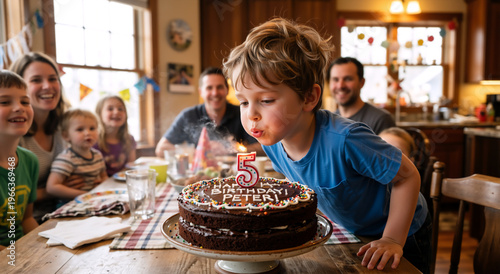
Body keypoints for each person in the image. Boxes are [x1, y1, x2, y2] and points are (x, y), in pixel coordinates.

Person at [223, 18, 431, 273]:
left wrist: (392, 239)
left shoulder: (346, 140)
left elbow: (408, 177)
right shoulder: (272, 143)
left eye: (265, 100)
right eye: (243, 102)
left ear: (309, 97)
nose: (251, 114)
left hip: (404, 231)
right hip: (355, 232)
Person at [9, 52, 82, 222]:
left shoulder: (66, 126)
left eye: (52, 78)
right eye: (36, 80)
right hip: (29, 221)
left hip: (69, 211)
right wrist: (51, 190)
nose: (47, 86)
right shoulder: (11, 133)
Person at [155, 67, 261, 157]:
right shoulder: (189, 116)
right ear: (201, 92)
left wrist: (231, 149)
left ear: (227, 90)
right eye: (209, 88)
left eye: (219, 87)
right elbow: (160, 149)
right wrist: (197, 151)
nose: (215, 93)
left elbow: (264, 148)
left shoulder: (242, 113)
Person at [0, 70, 39, 250]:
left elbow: (27, 219)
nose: (19, 107)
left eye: (25, 101)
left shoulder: (30, 161)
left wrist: (42, 250)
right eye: (4, 102)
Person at [46, 109, 107, 201]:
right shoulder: (66, 158)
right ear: (66, 136)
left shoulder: (97, 155)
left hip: (94, 200)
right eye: (80, 129)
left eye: (92, 128)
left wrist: (102, 184)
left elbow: (104, 176)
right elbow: (52, 187)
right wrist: (86, 195)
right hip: (71, 204)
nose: (88, 133)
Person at [328, 57, 395, 134]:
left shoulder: (381, 120)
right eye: (335, 79)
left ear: (362, 82)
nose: (340, 86)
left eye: (348, 79)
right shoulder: (329, 122)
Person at [94, 95, 136, 176]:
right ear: (99, 114)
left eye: (120, 109)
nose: (116, 112)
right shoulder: (93, 141)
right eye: (110, 109)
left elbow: (131, 167)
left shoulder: (129, 139)